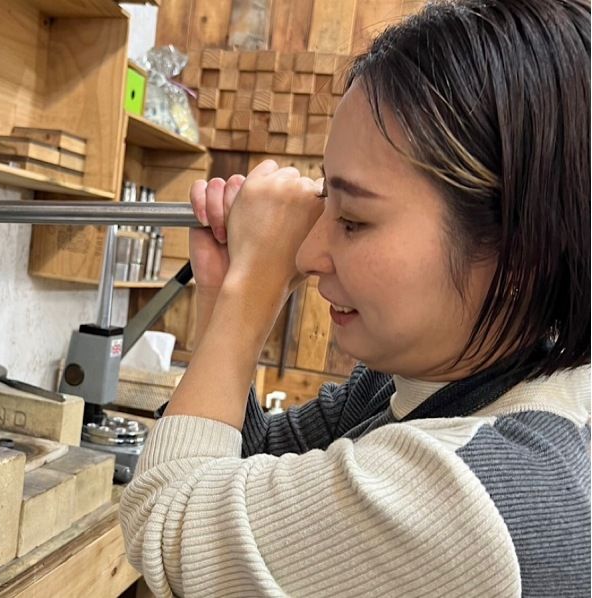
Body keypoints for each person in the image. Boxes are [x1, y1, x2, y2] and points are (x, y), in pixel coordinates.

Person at [119, 1, 591, 596]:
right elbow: (251, 468)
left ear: (524, 251)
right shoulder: (424, 383)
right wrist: (224, 286)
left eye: (355, 220)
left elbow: (168, 528)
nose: (310, 253)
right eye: (327, 205)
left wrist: (249, 296)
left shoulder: (475, 494)